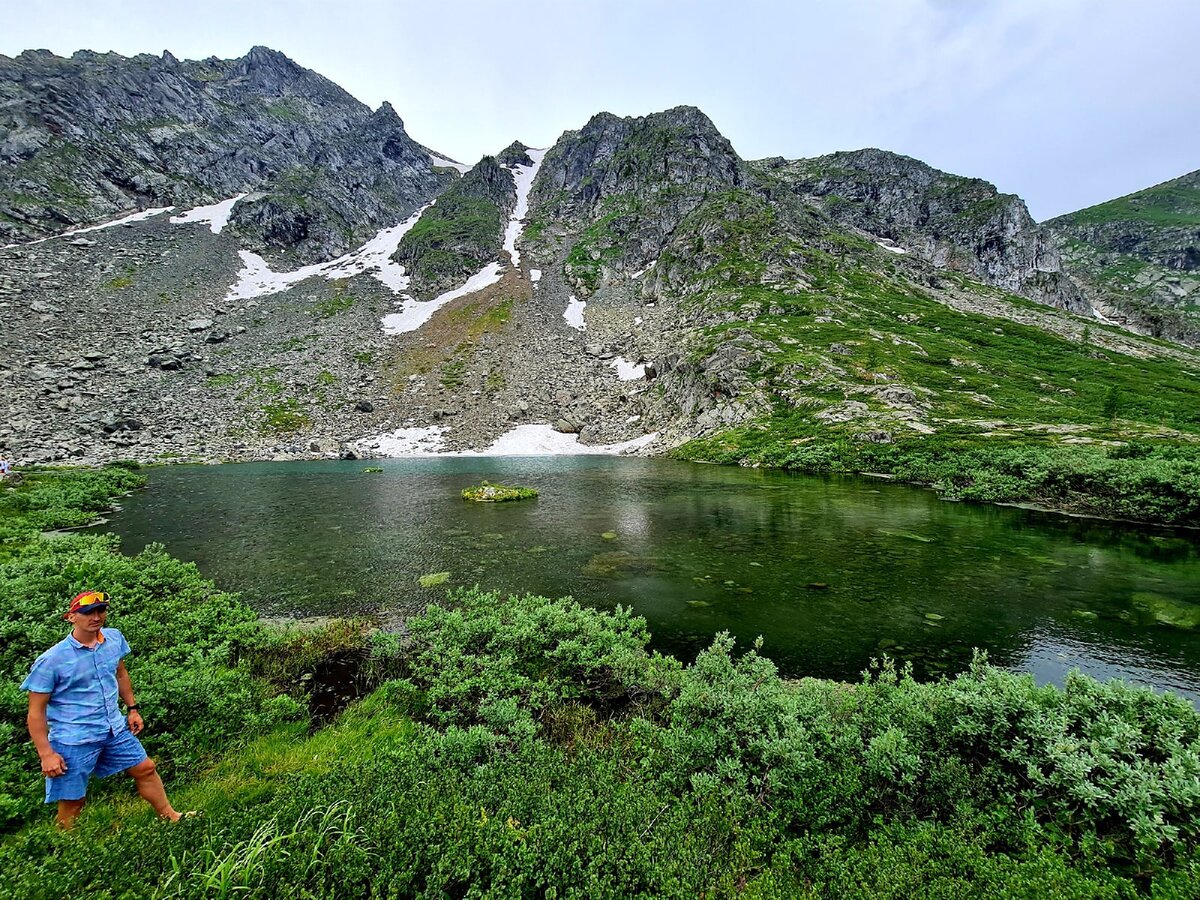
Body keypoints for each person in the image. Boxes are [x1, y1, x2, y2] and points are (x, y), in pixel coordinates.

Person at [22, 591, 186, 828]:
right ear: (71, 617)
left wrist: (132, 708)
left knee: (146, 768)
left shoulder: (114, 639)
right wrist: (46, 755)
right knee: (73, 800)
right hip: (75, 739)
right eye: (88, 612)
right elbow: (36, 712)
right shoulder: (51, 660)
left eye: (101, 611)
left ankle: (170, 816)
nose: (96, 617)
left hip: (114, 729)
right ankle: (66, 849)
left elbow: (120, 673)